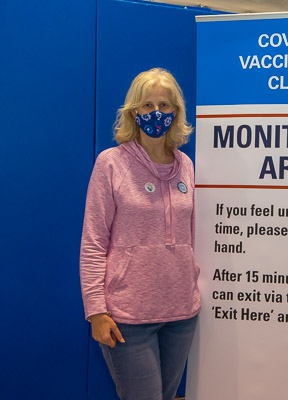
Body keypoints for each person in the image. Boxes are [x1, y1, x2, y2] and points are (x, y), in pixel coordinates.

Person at [80, 68, 201, 400]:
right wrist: (96, 310)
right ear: (134, 111)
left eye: (164, 104)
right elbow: (93, 241)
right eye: (147, 106)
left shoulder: (186, 166)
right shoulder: (111, 164)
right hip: (128, 317)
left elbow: (191, 236)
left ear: (176, 111)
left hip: (181, 314)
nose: (156, 113)